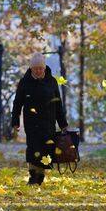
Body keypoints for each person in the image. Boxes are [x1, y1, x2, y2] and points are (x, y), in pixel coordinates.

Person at [11, 53, 68, 185]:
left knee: (45, 149)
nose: (38, 71)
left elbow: (58, 103)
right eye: (35, 68)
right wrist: (15, 121)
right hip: (31, 123)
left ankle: (40, 174)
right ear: (31, 68)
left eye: (40, 68)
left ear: (44, 67)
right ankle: (32, 174)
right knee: (32, 148)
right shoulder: (24, 82)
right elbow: (17, 103)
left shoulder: (52, 81)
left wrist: (63, 123)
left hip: (48, 122)